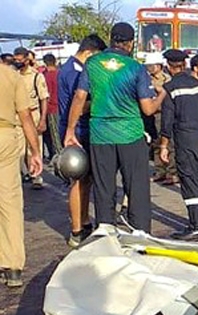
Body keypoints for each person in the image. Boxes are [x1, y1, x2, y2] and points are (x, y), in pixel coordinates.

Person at [64, 22, 166, 234]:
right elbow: (147, 109)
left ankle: (106, 233)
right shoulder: (135, 67)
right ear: (130, 44)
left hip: (101, 134)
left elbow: (80, 97)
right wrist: (162, 96)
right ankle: (141, 235)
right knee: (136, 188)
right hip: (130, 134)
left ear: (111, 40)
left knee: (104, 188)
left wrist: (70, 131)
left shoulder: (92, 64)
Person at [160, 51, 198, 238]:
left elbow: (167, 121)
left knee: (189, 180)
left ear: (168, 66)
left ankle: (196, 225)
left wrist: (163, 146)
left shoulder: (170, 88)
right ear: (185, 64)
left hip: (186, 139)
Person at [58, 33, 107, 248]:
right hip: (78, 131)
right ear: (88, 53)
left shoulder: (72, 68)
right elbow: (78, 104)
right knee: (79, 180)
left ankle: (85, 221)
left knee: (86, 181)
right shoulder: (75, 72)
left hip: (82, 129)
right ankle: (77, 229)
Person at [0, 61, 44, 287]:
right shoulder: (12, 76)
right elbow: (26, 117)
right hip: (7, 136)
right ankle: (13, 267)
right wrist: (35, 152)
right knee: (10, 201)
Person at [14, 47, 48, 189]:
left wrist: (42, 119)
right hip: (16, 117)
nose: (17, 62)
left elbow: (44, 98)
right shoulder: (14, 75)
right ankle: (22, 174)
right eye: (16, 59)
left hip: (33, 114)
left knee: (34, 147)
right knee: (18, 150)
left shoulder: (36, 76)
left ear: (27, 60)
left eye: (20, 59)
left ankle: (36, 176)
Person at [144, 53, 177, 185]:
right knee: (156, 144)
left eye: (152, 66)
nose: (150, 68)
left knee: (169, 144)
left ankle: (171, 172)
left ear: (159, 66)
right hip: (151, 115)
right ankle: (160, 171)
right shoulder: (146, 79)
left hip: (165, 115)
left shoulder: (167, 80)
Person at [42, 53, 60, 162]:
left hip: (52, 108)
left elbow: (47, 94)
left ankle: (59, 157)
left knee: (55, 135)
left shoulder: (47, 77)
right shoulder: (60, 73)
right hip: (61, 106)